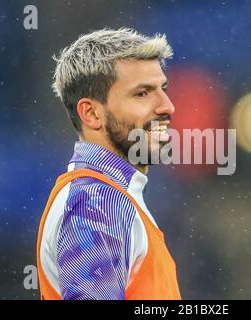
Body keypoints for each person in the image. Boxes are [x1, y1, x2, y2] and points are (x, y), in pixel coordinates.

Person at [36, 28, 181, 300]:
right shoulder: (97, 202)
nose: (167, 106)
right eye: (142, 94)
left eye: (163, 89)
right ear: (91, 114)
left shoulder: (109, 195)